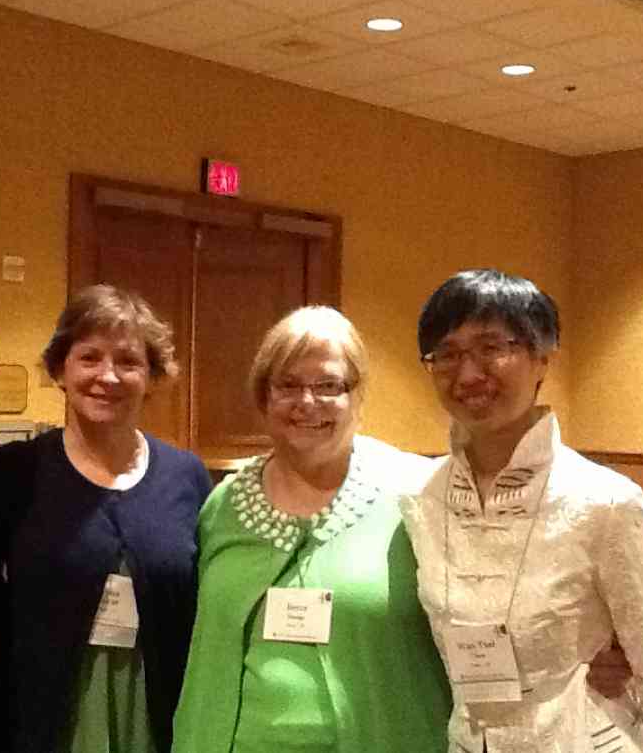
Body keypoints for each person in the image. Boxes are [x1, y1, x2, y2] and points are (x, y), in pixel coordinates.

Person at [402, 269, 643, 752]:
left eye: (491, 347)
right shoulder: (420, 498)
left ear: (542, 356)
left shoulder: (605, 502)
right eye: (448, 353)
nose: (468, 373)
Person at [172, 306, 452, 753]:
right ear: (263, 396)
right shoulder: (223, 505)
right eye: (288, 384)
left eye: (328, 386)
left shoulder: (418, 493)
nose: (307, 402)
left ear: (357, 395)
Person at [0, 284, 212, 753]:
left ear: (152, 376)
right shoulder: (16, 472)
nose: (107, 376)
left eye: (128, 361)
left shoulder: (186, 477)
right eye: (89, 357)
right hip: (42, 723)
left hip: (156, 717)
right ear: (60, 369)